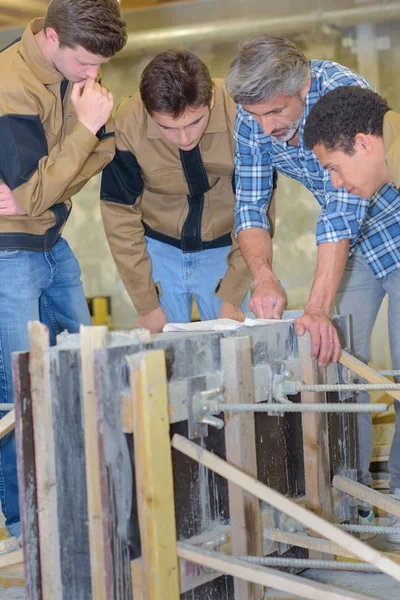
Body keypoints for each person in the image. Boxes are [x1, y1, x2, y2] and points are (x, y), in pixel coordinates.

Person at [226, 35, 400, 540]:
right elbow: (250, 207)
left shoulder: (342, 92)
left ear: (303, 86)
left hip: (384, 226)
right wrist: (263, 274)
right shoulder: (255, 116)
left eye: (277, 112)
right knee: (338, 368)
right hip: (349, 250)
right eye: (256, 115)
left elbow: (343, 206)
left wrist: (317, 306)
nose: (267, 127)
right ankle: (352, 498)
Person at [0, 0, 127, 543]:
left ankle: (86, 510)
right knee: (18, 392)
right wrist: (86, 130)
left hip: (51, 241)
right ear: (51, 37)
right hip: (9, 253)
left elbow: (88, 165)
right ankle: (26, 528)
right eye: (84, 62)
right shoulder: (12, 85)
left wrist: (83, 140)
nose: (93, 75)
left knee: (87, 373)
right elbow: (30, 196)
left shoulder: (69, 72)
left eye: (100, 63)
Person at [100, 50, 276, 333]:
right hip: (158, 251)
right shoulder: (128, 122)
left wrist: (234, 292)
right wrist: (146, 304)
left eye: (195, 122)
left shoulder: (242, 115)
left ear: (212, 100)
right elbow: (118, 214)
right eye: (168, 128)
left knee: (238, 349)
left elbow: (257, 208)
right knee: (161, 360)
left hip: (228, 249)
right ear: (149, 113)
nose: (185, 138)